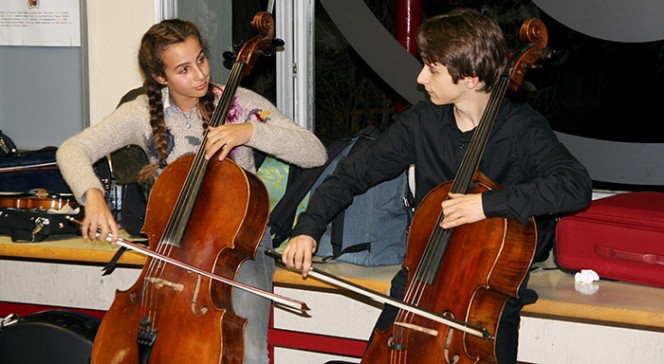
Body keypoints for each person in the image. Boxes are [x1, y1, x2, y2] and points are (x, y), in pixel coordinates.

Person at [282, 8, 592, 364]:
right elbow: (352, 174)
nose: (420, 77)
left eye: (432, 68)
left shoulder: (521, 129)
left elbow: (575, 185)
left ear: (472, 78)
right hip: (417, 285)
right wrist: (307, 228)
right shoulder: (422, 122)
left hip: (485, 301)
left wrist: (487, 205)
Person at [56, 19, 326, 364]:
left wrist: (250, 133)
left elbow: (315, 151)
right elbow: (72, 150)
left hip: (241, 248)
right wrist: (91, 194)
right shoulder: (141, 113)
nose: (199, 75)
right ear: (159, 77)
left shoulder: (240, 104)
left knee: (249, 352)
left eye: (201, 59)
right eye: (183, 69)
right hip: (173, 250)